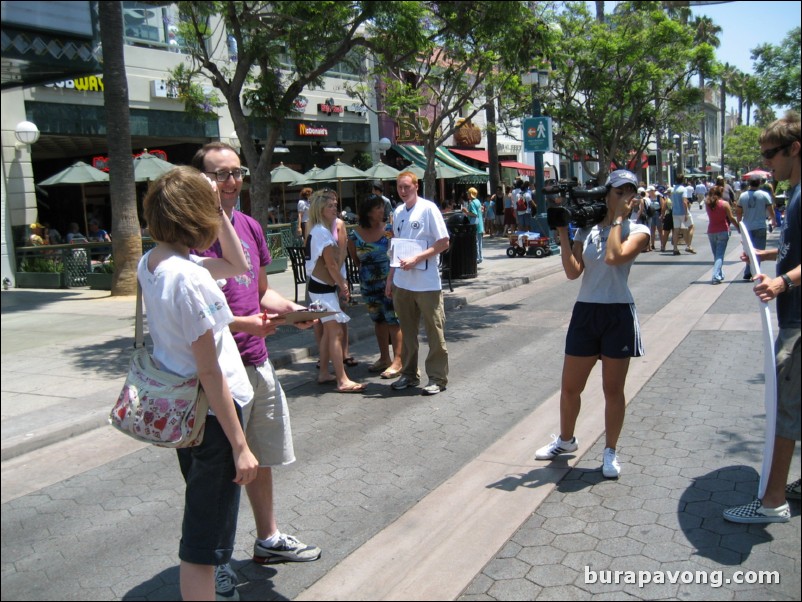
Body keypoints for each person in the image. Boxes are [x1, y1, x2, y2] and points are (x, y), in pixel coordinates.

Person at [191, 143, 321, 601]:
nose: (231, 181)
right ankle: (215, 563)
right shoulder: (188, 234)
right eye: (220, 174)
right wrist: (249, 324)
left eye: (236, 172)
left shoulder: (247, 226)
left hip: (256, 360)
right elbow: (193, 314)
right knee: (221, 469)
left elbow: (260, 292)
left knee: (259, 457)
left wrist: (293, 311)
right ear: (201, 179)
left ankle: (267, 540)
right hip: (216, 371)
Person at [139, 166, 259, 601]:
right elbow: (211, 373)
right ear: (195, 214)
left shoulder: (155, 262)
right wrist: (240, 445)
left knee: (203, 530)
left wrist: (219, 211)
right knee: (203, 547)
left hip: (186, 413)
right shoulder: (190, 278)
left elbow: (237, 263)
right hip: (210, 418)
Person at [535, 170, 649, 479]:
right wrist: (563, 232)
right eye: (618, 191)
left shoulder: (638, 230)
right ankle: (565, 440)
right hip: (586, 312)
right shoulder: (587, 230)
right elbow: (573, 273)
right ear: (607, 194)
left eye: (630, 191)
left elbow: (614, 258)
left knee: (613, 389)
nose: (624, 196)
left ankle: (610, 451)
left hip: (618, 314)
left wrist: (615, 222)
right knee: (570, 387)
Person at [724, 111, 800, 524]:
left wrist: (781, 282)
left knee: (785, 408)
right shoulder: (794, 191)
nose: (766, 163)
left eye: (771, 154)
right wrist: (768, 255)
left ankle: (772, 502)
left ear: (795, 149)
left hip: (797, 318)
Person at [387, 171, 450, 396]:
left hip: (426, 283)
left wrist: (418, 258)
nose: (403, 191)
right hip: (403, 283)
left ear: (416, 186)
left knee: (434, 331)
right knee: (408, 332)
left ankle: (437, 378)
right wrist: (390, 278)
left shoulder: (428, 209)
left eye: (407, 187)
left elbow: (444, 242)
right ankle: (409, 374)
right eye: (399, 187)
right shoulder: (397, 212)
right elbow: (395, 248)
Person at [306, 190, 365, 393]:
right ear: (320, 209)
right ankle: (342, 379)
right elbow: (331, 265)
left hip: (319, 287)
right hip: (322, 288)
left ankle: (324, 372)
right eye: (330, 205)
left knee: (329, 332)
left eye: (335, 205)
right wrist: (343, 284)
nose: (335, 208)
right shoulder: (321, 231)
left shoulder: (316, 229)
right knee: (336, 331)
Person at [348, 194, 403, 379]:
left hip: (389, 281)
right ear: (368, 211)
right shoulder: (354, 235)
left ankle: (398, 360)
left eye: (382, 207)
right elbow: (356, 260)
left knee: (393, 319)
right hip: (368, 284)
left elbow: (396, 254)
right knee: (378, 320)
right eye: (378, 207)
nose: (382, 210)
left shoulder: (389, 230)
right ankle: (384, 358)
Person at [737, 176, 776, 280]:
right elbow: (770, 209)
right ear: (759, 183)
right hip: (760, 226)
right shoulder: (764, 195)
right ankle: (754, 272)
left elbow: (739, 211)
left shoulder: (743, 196)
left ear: (749, 183)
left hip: (747, 227)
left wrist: (739, 224)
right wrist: (773, 219)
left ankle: (748, 271)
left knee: (748, 250)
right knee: (758, 251)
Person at [705, 185, 738, 285]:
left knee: (716, 255)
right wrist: (738, 227)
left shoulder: (708, 204)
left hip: (711, 231)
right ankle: (715, 276)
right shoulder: (725, 204)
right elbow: (731, 218)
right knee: (719, 255)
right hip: (723, 230)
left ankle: (719, 273)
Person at [670, 176, 696, 255]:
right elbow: (685, 201)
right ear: (683, 180)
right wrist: (686, 213)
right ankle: (689, 245)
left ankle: (675, 248)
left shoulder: (673, 190)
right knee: (691, 226)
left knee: (676, 230)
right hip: (682, 211)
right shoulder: (683, 189)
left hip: (675, 212)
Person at [462, 186, 484, 263]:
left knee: (475, 241)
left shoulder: (472, 203)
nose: (467, 195)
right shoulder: (478, 201)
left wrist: (466, 212)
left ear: (471, 194)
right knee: (479, 241)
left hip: (475, 224)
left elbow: (474, 214)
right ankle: (480, 257)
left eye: (468, 193)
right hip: (480, 223)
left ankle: (477, 257)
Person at [645, 187, 663, 251]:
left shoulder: (658, 197)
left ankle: (662, 245)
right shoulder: (648, 198)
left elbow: (662, 206)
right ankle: (652, 244)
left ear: (653, 191)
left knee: (660, 230)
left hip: (658, 213)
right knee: (652, 229)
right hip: (651, 214)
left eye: (649, 191)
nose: (648, 192)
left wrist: (662, 215)